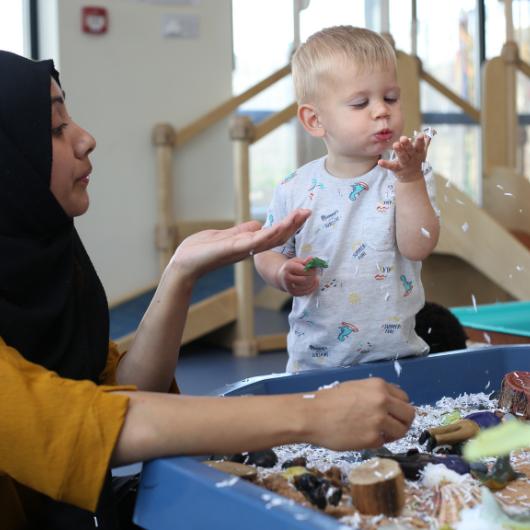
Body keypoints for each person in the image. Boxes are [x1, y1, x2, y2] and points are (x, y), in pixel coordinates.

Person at [0, 51, 415, 529]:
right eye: (55, 128)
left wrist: (180, 273)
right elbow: (74, 424)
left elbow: (119, 391)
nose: (85, 139)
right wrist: (312, 412)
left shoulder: (44, 258)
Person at [254, 26, 440, 372]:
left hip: (397, 360)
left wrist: (410, 178)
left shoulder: (408, 174)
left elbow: (418, 246)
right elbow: (268, 250)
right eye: (360, 103)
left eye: (391, 98)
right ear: (315, 120)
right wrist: (281, 272)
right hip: (314, 364)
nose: (381, 111)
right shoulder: (295, 187)